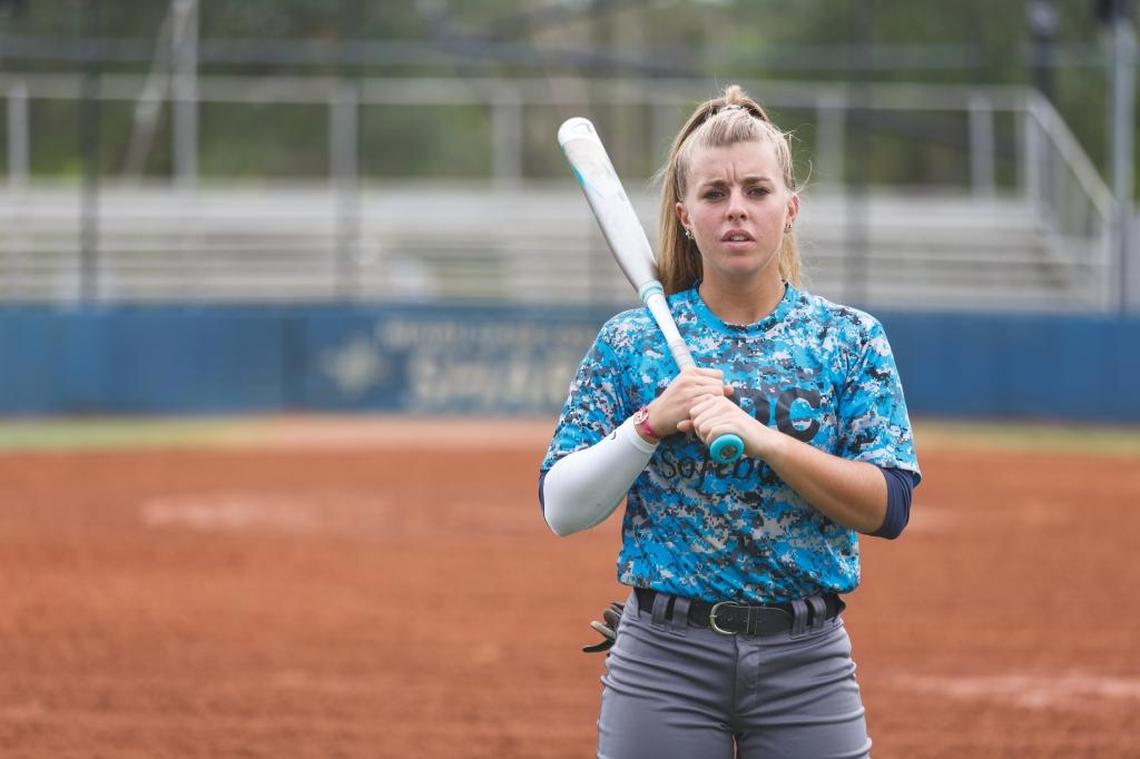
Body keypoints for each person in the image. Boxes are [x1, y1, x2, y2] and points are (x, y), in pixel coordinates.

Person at [538, 84, 921, 759]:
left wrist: (766, 438)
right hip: (664, 658)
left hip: (808, 660)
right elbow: (561, 507)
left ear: (790, 207)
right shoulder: (633, 343)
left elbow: (887, 505)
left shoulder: (848, 339)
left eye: (756, 190)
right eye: (715, 194)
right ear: (686, 216)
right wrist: (650, 424)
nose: (736, 209)